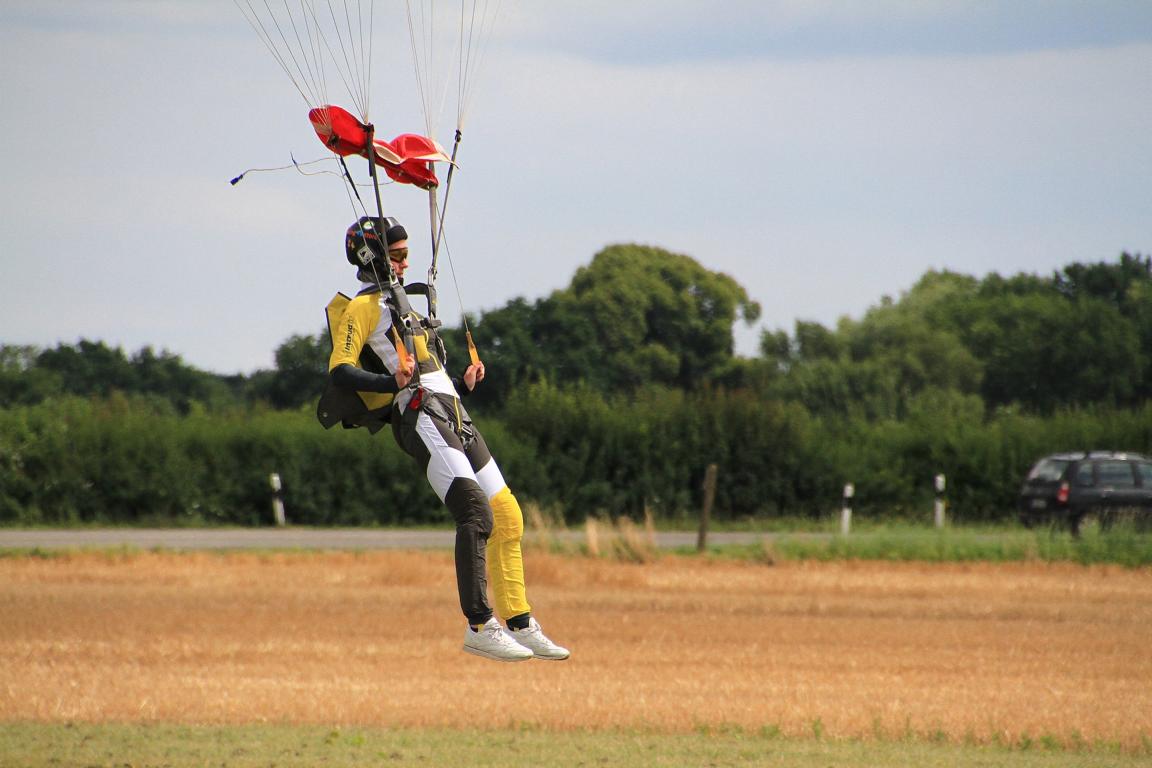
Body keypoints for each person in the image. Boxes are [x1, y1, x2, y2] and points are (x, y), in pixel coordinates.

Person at [322, 216, 569, 662]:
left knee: (507, 515)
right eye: (397, 255)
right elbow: (340, 370)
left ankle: (519, 621)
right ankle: (480, 625)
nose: (405, 262)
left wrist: (463, 383)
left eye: (406, 253)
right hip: (419, 415)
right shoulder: (362, 309)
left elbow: (431, 371)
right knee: (474, 512)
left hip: (452, 408)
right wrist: (392, 383)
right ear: (372, 257)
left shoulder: (405, 306)